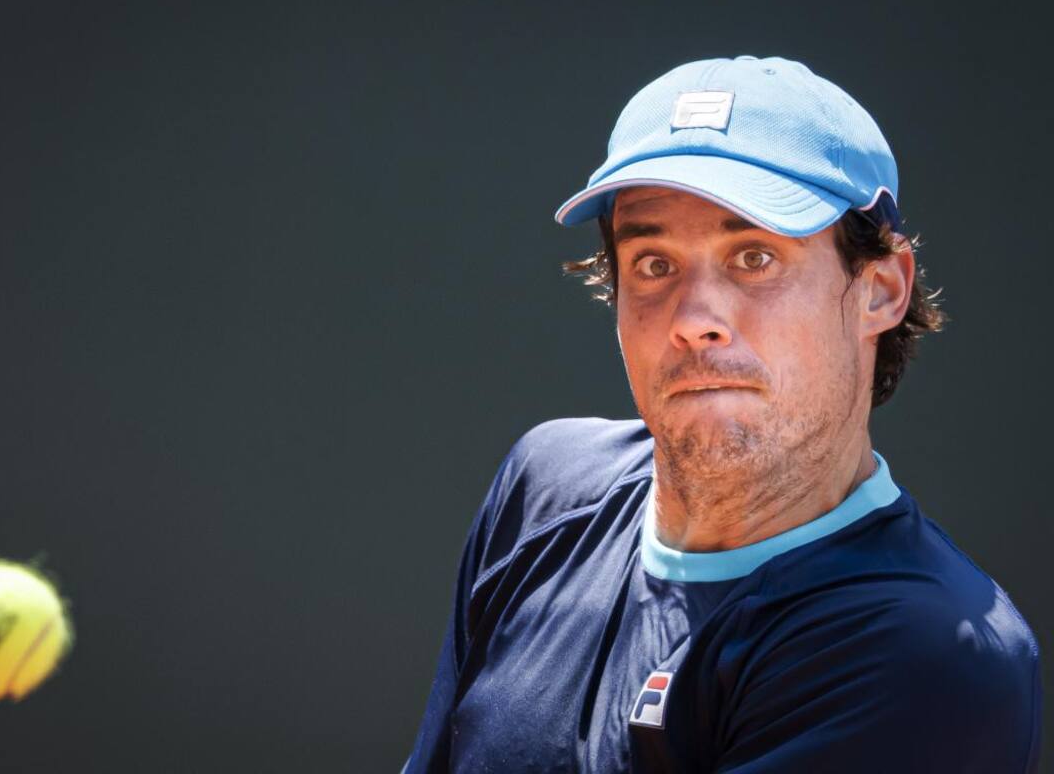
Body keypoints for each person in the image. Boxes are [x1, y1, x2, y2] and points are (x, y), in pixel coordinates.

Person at [403, 56, 1042, 773]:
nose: (694, 319)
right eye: (653, 263)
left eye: (755, 256)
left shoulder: (928, 655)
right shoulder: (546, 488)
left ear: (881, 291)